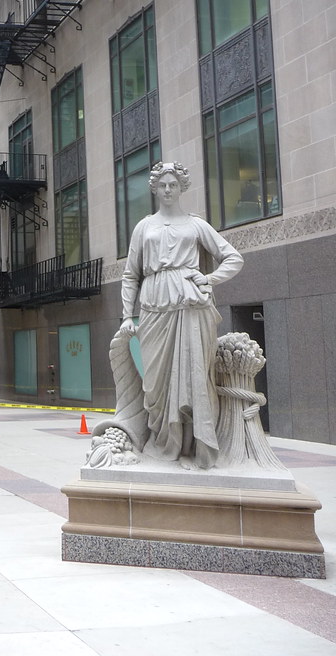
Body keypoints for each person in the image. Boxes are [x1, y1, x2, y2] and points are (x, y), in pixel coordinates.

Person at [113, 161, 243, 469]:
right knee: (155, 384)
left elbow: (233, 257)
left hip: (190, 306)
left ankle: (193, 448)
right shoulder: (144, 227)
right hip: (153, 307)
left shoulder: (196, 224)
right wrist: (126, 315)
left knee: (194, 377)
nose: (168, 189)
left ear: (181, 187)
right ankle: (163, 443)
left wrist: (208, 279)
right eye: (162, 185)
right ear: (155, 188)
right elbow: (131, 274)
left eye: (173, 184)